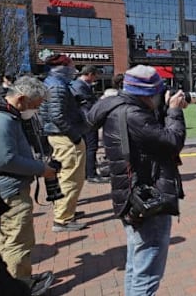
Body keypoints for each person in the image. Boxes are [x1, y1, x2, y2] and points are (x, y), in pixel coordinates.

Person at [86, 65, 187, 296]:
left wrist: (164, 110)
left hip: (130, 194)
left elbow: (148, 138)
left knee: (136, 263)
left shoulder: (118, 107)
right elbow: (171, 141)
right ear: (147, 93)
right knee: (147, 271)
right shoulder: (134, 115)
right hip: (147, 198)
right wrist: (174, 112)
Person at [0, 77, 57, 295]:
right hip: (11, 191)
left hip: (10, 187)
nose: (36, 110)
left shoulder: (9, 116)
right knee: (18, 241)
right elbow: (6, 159)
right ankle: (20, 284)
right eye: (35, 105)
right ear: (21, 99)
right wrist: (40, 168)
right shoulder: (4, 120)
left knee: (9, 240)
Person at [38, 54, 88, 232]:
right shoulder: (57, 86)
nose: (74, 70)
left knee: (67, 176)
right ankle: (63, 219)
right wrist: (74, 135)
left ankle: (66, 212)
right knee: (71, 177)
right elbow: (57, 115)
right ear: (62, 68)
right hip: (64, 136)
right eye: (71, 66)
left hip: (60, 135)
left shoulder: (54, 83)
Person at [70, 65, 106, 184]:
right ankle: (91, 174)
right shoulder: (79, 86)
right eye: (95, 76)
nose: (95, 79)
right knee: (91, 147)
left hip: (83, 121)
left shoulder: (79, 85)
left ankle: (87, 172)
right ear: (90, 74)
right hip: (87, 121)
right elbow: (86, 105)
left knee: (87, 148)